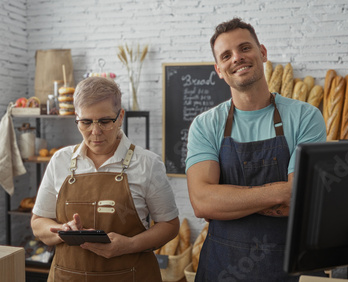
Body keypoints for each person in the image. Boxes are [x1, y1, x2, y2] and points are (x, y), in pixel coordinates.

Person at [186, 18, 327, 281]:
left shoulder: (305, 117)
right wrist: (280, 191)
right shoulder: (206, 125)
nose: (237, 58)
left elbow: (303, 198)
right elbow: (203, 203)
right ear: (219, 69)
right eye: (226, 55)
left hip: (288, 267)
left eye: (244, 48)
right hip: (221, 268)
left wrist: (228, 200)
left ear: (262, 53)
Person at [31, 77, 179, 281]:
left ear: (120, 117)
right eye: (86, 122)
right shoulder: (60, 160)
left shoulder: (147, 164)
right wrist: (63, 231)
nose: (95, 131)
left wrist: (130, 245)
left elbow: (170, 225)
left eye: (105, 121)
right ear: (77, 118)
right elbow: (38, 222)